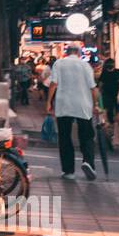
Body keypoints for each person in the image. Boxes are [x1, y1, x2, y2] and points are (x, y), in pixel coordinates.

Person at [46, 44, 98, 181]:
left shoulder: (59, 63)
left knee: (64, 137)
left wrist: (48, 102)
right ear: (79, 53)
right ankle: (88, 162)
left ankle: (69, 171)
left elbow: (54, 84)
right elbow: (93, 88)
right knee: (87, 135)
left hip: (64, 105)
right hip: (83, 105)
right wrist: (96, 105)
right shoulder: (85, 66)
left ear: (66, 53)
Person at [98, 57, 119, 125]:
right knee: (109, 109)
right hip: (107, 94)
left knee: (117, 108)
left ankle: (117, 121)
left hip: (116, 94)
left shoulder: (117, 71)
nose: (111, 65)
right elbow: (101, 83)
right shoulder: (104, 72)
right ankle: (111, 122)